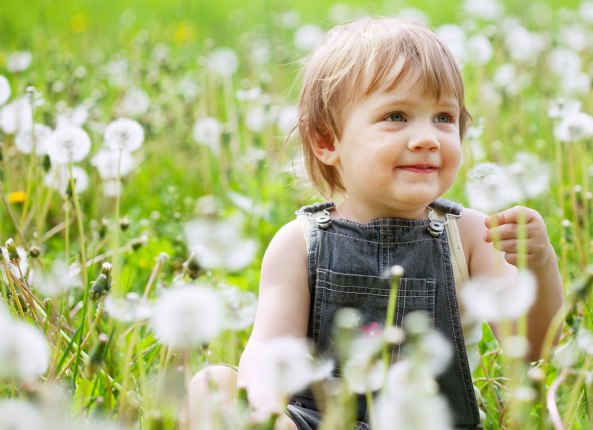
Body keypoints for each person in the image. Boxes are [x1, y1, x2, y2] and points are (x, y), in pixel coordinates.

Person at [188, 16, 564, 430]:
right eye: (397, 116)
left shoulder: (472, 236)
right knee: (212, 384)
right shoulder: (299, 243)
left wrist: (540, 266)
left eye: (443, 117)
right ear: (327, 141)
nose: (428, 137)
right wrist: (263, 412)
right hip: (318, 422)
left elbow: (531, 345)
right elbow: (268, 351)